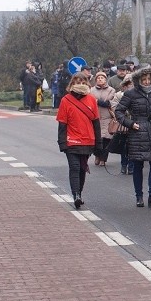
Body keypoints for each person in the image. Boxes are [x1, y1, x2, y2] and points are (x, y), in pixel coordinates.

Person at [115, 67, 151, 208]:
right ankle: (139, 196)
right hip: (137, 132)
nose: (146, 82)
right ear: (138, 80)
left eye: (149, 79)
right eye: (144, 79)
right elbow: (119, 111)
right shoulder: (130, 94)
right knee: (138, 165)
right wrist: (130, 123)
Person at [56, 72, 101, 209]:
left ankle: (79, 193)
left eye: (83, 82)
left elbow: (96, 123)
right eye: (77, 82)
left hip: (87, 140)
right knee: (74, 167)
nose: (80, 84)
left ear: (87, 84)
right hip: (72, 141)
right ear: (72, 84)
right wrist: (62, 143)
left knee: (82, 168)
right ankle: (76, 195)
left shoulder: (91, 99)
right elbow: (62, 124)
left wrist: (99, 143)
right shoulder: (66, 100)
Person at [91, 71, 116, 167]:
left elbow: (108, 102)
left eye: (102, 78)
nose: (100, 79)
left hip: (107, 118)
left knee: (106, 139)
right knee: (97, 139)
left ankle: (103, 159)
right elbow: (90, 100)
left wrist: (97, 101)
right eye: (98, 78)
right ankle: (97, 155)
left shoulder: (111, 90)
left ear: (106, 79)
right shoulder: (91, 90)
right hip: (95, 117)